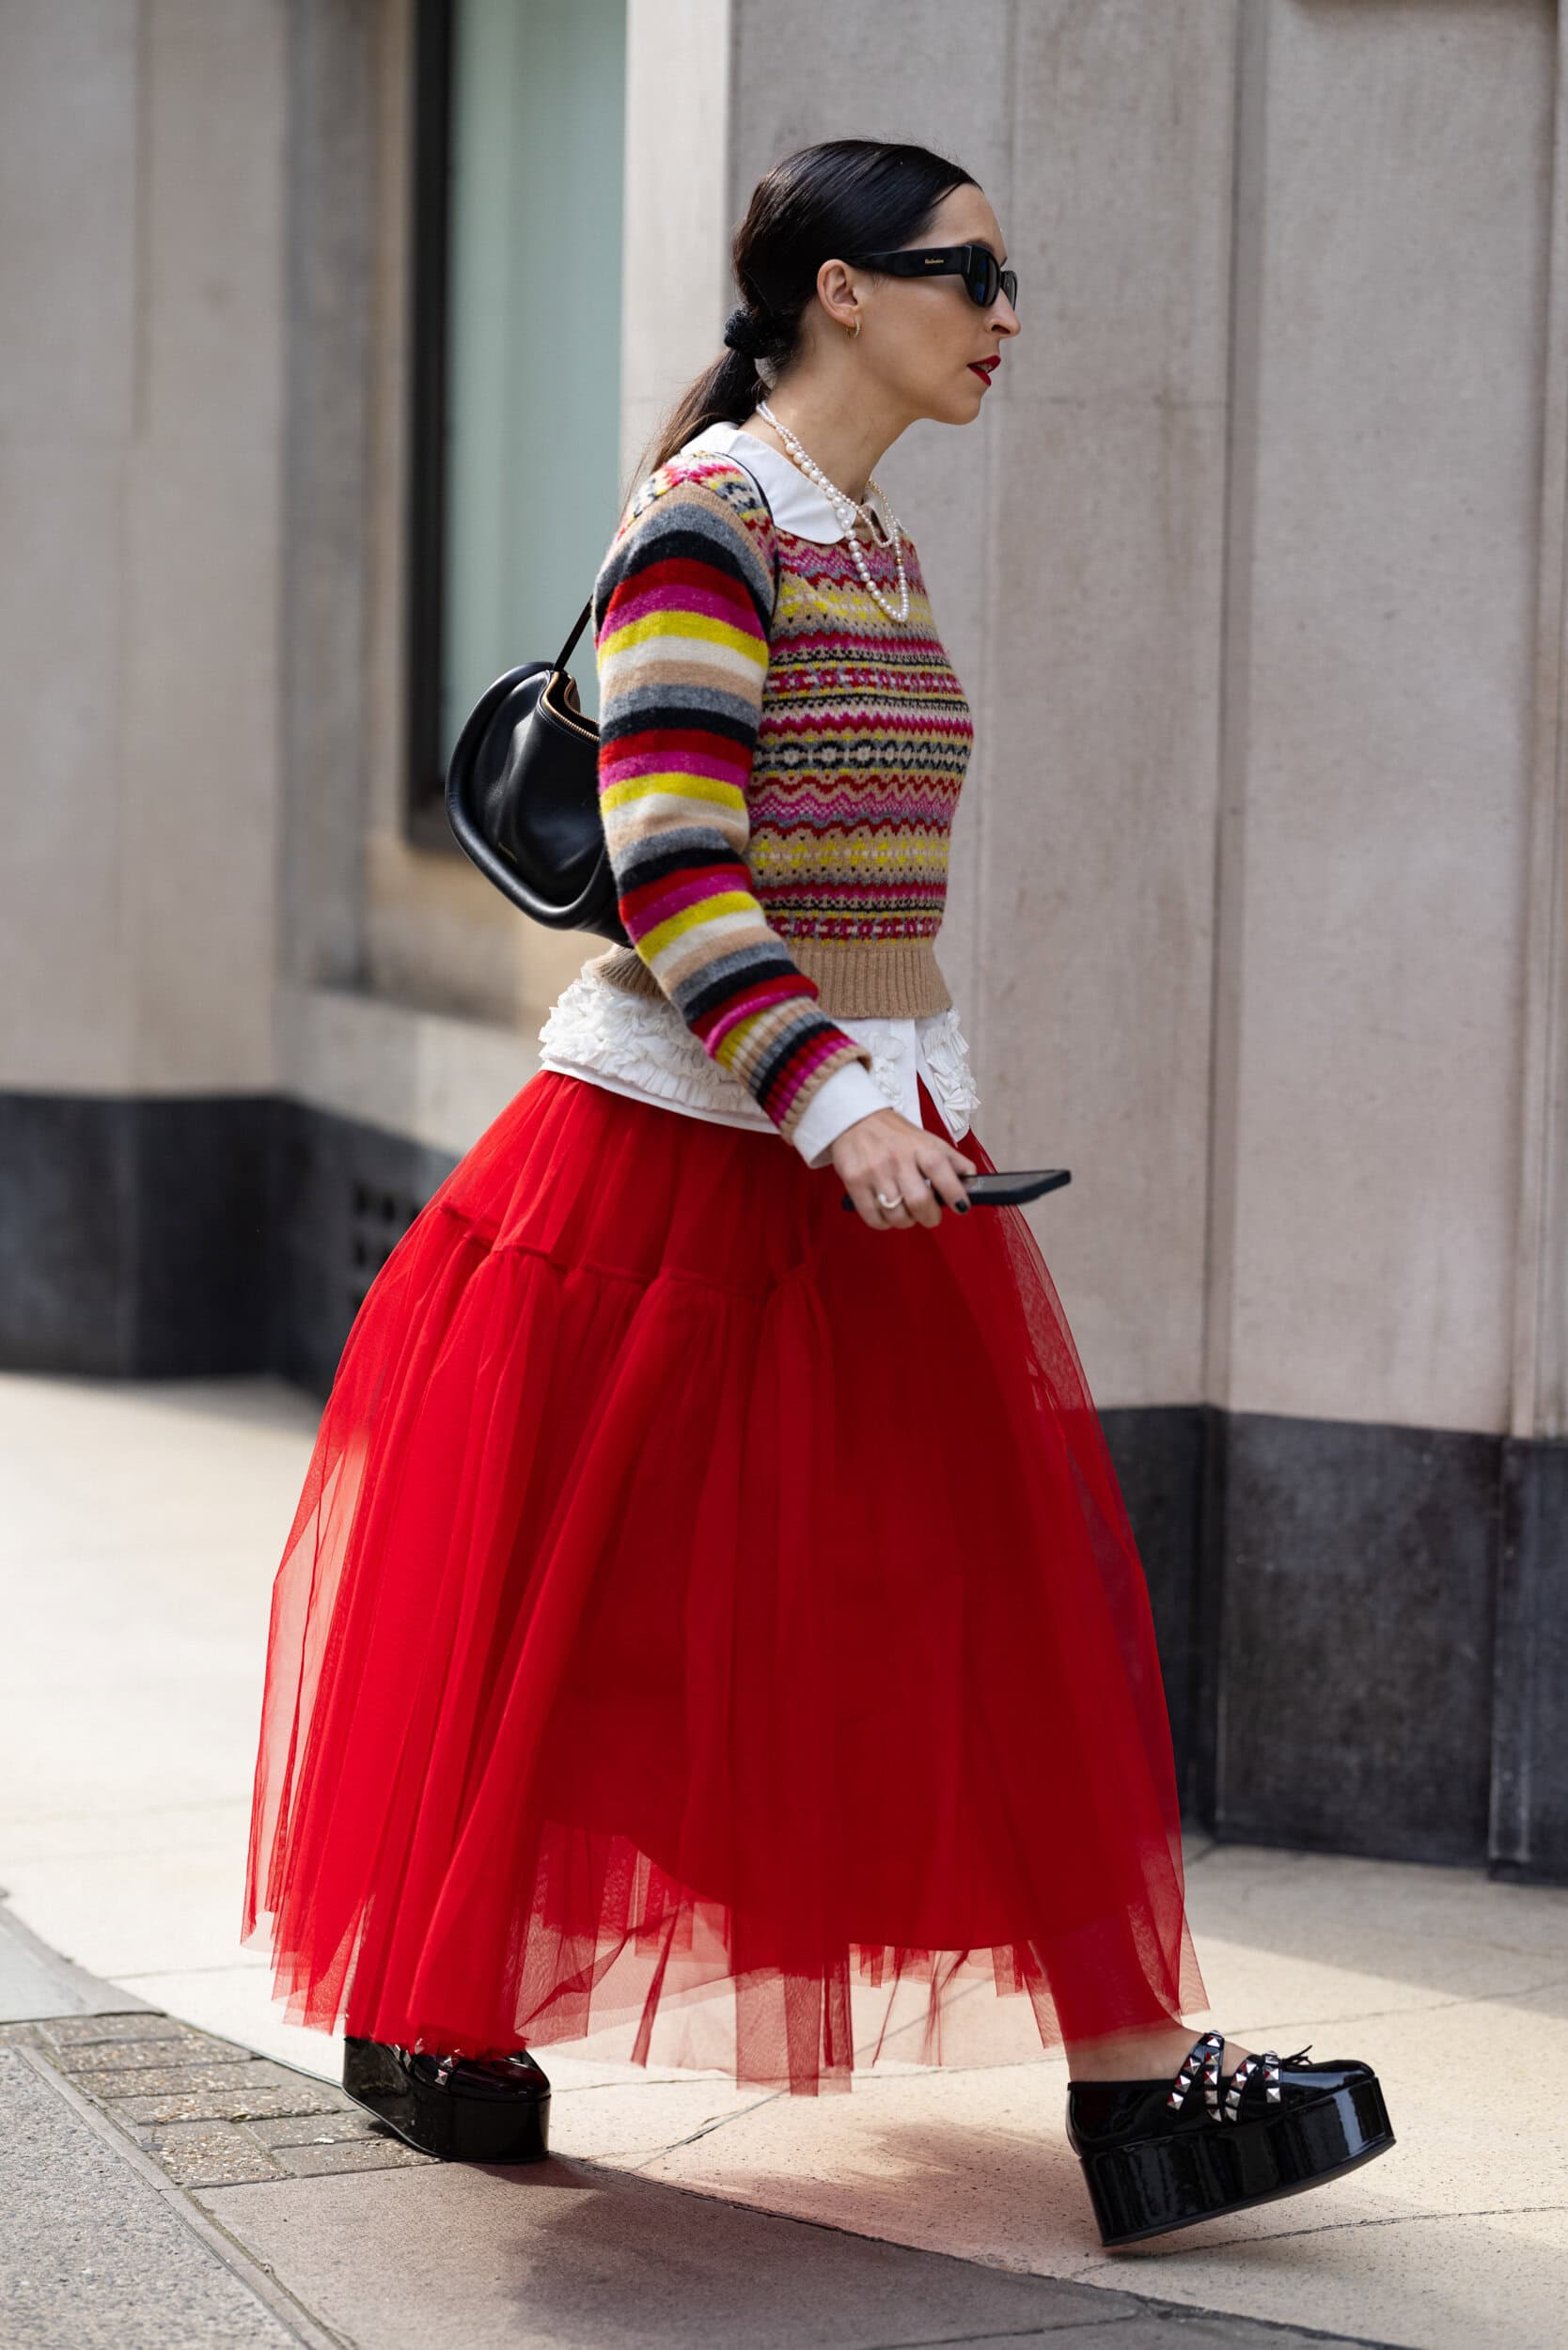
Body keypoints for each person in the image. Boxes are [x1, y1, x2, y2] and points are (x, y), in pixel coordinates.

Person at [243, 138, 1392, 2247]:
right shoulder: (713, 522)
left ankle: (1140, 2082)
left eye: (1011, 280)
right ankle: (432, 2008)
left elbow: (848, 873)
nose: (1008, 318)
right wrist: (833, 1096)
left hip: (879, 1153)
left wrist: (893, 1094)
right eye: (973, 276)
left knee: (985, 1606)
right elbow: (674, 857)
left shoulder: (871, 537)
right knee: (592, 1618)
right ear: (841, 291)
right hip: (680, 1166)